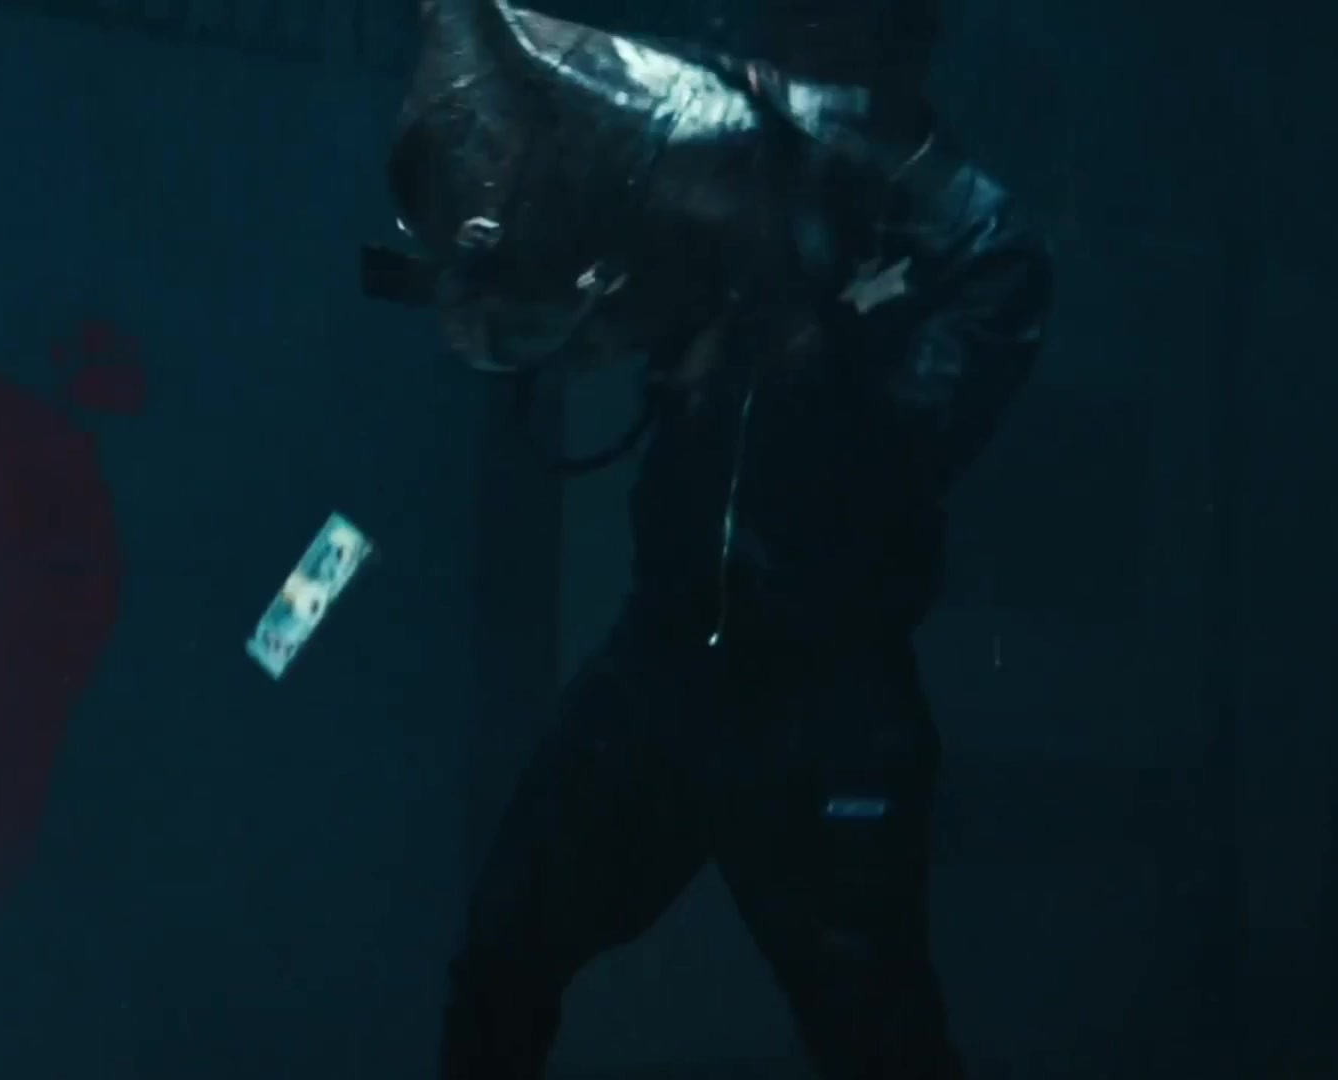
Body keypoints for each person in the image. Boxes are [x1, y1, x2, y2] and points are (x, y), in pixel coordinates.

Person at [381, 1, 1053, 1075]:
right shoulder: (734, 147)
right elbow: (586, 275)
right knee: (504, 955)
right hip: (661, 668)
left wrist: (807, 316)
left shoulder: (978, 239)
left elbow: (913, 443)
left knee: (876, 1036)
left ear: (910, 31)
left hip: (828, 700)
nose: (801, 31)